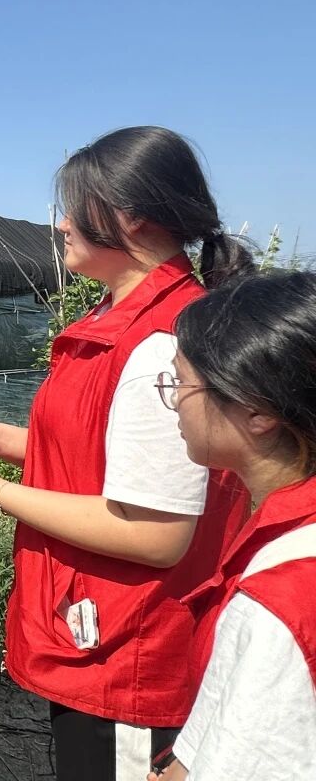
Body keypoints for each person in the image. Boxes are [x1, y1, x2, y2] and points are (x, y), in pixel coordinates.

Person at [0, 127, 255, 781]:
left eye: (75, 208)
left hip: (132, 647)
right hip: (96, 626)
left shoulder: (161, 345)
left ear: (133, 216)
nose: (62, 224)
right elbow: (88, 455)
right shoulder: (113, 322)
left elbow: (154, 532)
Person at [145, 271, 316, 780]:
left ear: (257, 411)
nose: (174, 399)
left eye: (182, 382)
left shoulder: (280, 601)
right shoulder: (283, 532)